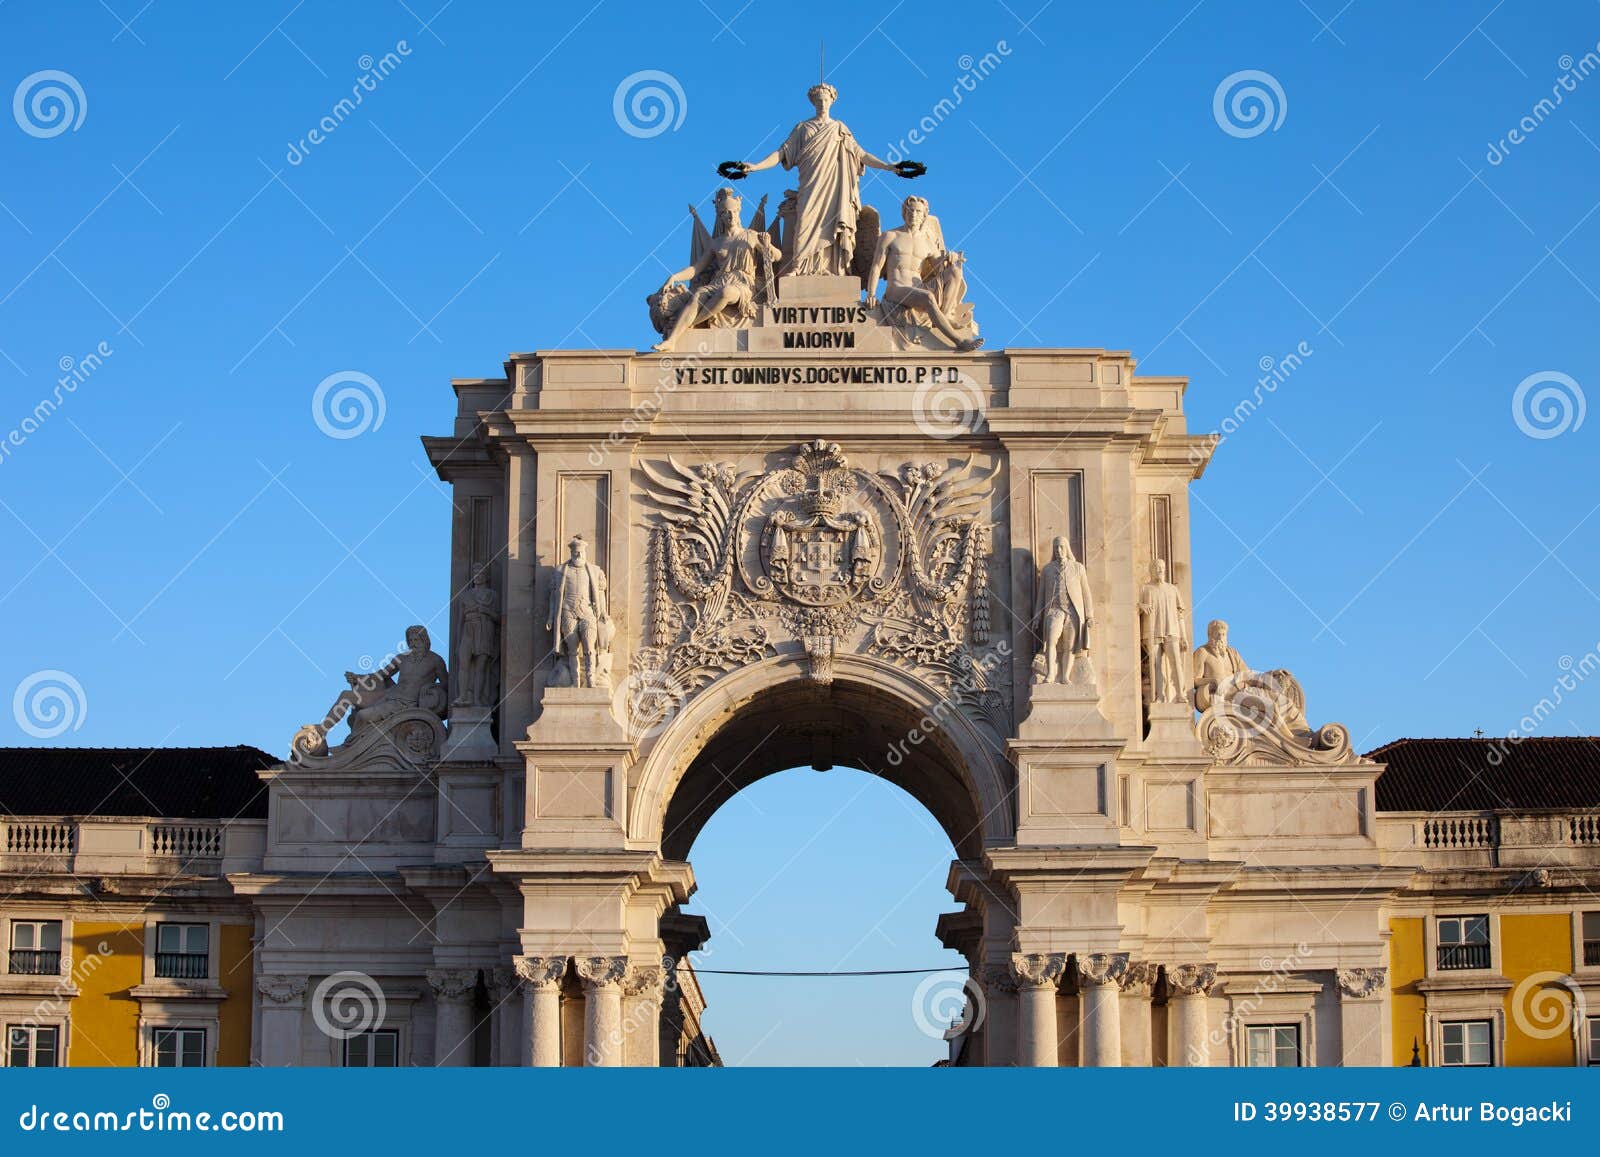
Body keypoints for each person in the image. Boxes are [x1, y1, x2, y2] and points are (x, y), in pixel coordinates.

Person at [724, 83, 914, 276]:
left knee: (833, 225)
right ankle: (799, 267)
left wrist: (888, 166)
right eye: (818, 100)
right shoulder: (802, 128)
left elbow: (862, 155)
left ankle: (835, 269)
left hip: (835, 189)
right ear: (813, 103)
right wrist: (755, 166)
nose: (822, 103)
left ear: (832, 101)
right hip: (810, 186)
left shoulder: (839, 129)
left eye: (825, 100)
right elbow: (781, 153)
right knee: (804, 223)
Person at [652, 187, 780, 352]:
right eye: (726, 212)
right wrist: (674, 277)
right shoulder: (716, 243)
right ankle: (672, 341)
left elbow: (777, 256)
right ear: (720, 216)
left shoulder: (751, 235)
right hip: (719, 280)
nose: (731, 216)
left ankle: (688, 324)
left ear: (739, 211)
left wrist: (767, 245)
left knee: (726, 293)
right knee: (697, 295)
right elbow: (696, 268)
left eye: (734, 211)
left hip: (743, 283)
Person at [865, 196, 983, 351]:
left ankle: (944, 315)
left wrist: (950, 259)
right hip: (897, 289)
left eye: (918, 212)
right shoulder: (890, 236)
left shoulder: (927, 242)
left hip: (918, 288)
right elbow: (876, 266)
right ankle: (959, 340)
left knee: (954, 271)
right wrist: (871, 294)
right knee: (928, 297)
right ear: (904, 213)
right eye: (910, 210)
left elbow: (939, 267)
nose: (914, 214)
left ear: (924, 216)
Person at [547, 535, 612, 688]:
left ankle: (591, 679)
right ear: (571, 552)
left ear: (585, 552)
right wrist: (551, 617)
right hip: (567, 612)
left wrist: (602, 612)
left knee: (590, 648)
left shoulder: (595, 571)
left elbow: (600, 594)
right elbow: (553, 597)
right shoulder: (560, 571)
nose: (578, 555)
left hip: (588, 612)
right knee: (572, 649)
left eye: (580, 552)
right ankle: (575, 680)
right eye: (575, 552)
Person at [1034, 536, 1092, 684]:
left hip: (1073, 612)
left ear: (1066, 548)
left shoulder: (1078, 568)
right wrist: (1037, 616)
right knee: (1051, 641)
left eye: (1061, 547)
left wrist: (1089, 615)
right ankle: (1051, 674)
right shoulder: (1047, 570)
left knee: (1069, 646)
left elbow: (1086, 593)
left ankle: (1065, 676)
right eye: (1056, 548)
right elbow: (1041, 595)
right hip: (1054, 611)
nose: (1058, 551)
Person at [1140, 560, 1188, 704]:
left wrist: (1184, 636)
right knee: (1155, 664)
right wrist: (1140, 605)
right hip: (1152, 630)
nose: (1160, 570)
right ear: (1151, 570)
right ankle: (1160, 695)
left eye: (1162, 568)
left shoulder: (1173, 589)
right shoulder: (1145, 588)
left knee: (1176, 663)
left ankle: (1180, 694)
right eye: (1156, 568)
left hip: (1172, 630)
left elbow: (1180, 614)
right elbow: (1134, 608)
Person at [454, 571, 500, 707]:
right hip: (468, 630)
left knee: (481, 666)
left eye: (481, 573)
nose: (477, 576)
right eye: (475, 574)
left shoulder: (492, 595)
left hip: (485, 628)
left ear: (487, 576)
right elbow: (459, 621)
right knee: (463, 663)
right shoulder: (465, 596)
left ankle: (478, 699)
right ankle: (462, 696)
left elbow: (498, 618)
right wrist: (457, 642)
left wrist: (485, 611)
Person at [1192, 618, 1250, 711]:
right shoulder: (1202, 652)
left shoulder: (1232, 653)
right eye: (1217, 634)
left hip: (1235, 694)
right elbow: (1194, 680)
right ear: (1210, 635)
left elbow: (1248, 675)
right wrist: (1214, 681)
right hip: (1215, 695)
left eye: (1223, 634)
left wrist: (1268, 675)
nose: (1220, 637)